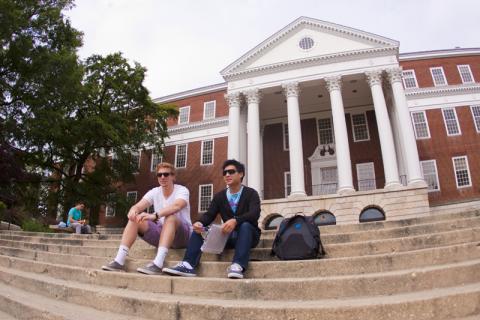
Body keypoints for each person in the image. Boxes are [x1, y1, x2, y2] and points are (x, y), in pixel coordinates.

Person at [163, 159, 261, 279]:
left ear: (241, 174)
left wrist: (236, 220)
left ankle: (238, 265)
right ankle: (188, 264)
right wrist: (200, 222)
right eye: (225, 173)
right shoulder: (220, 196)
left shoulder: (251, 193)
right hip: (228, 237)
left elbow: (254, 214)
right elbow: (209, 215)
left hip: (249, 236)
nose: (227, 175)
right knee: (200, 229)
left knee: (245, 225)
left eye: (231, 172)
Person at [101, 162, 192, 275]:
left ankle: (158, 264)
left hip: (183, 236)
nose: (162, 177)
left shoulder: (182, 190)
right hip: (162, 234)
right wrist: (133, 211)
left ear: (173, 176)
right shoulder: (154, 192)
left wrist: (155, 215)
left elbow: (177, 206)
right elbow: (138, 206)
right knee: (136, 218)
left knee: (171, 217)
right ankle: (119, 261)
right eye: (159, 175)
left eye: (166, 174)